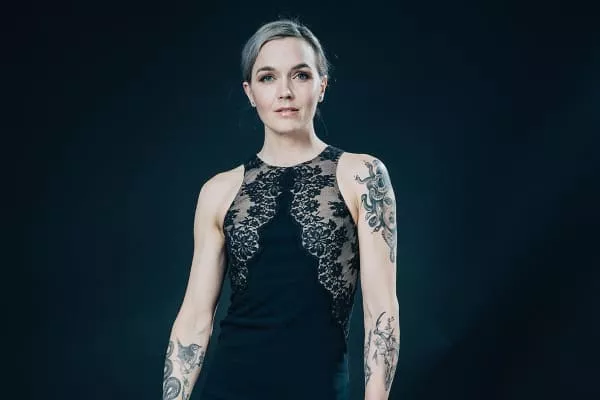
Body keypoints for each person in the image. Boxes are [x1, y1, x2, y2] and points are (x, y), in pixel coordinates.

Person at [162, 18, 400, 400]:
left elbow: (381, 311)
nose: (285, 92)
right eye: (268, 77)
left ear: (322, 86)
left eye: (300, 75)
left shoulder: (363, 175)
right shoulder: (219, 190)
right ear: (250, 92)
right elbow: (194, 318)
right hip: (229, 387)